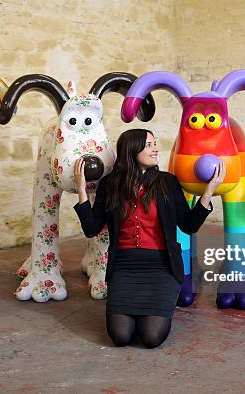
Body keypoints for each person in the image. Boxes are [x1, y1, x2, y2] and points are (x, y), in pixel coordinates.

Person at [73, 129, 225, 348]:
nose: (155, 149)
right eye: (148, 145)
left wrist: (209, 191)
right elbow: (91, 228)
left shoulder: (168, 183)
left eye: (154, 144)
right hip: (124, 268)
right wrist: (81, 188)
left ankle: (151, 311)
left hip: (162, 268)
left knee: (151, 338)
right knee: (120, 337)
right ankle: (133, 313)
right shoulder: (111, 185)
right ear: (131, 150)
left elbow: (189, 224)